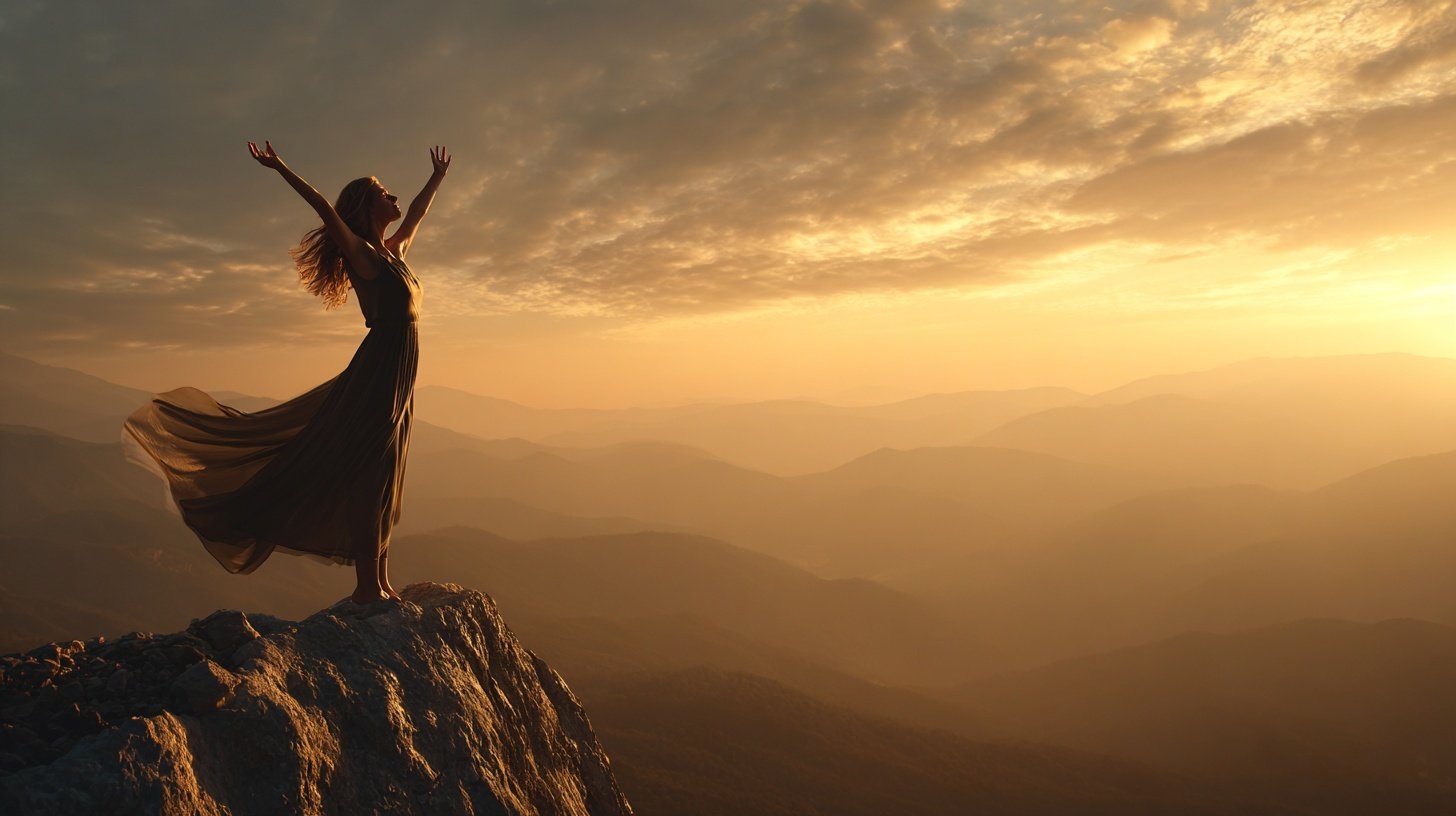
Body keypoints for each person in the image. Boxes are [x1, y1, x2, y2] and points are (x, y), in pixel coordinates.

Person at [121, 141, 451, 604]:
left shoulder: (395, 252)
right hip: (378, 372)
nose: (394, 197)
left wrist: (436, 178)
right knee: (369, 475)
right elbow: (321, 205)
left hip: (400, 377)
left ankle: (381, 581)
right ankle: (365, 589)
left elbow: (416, 213)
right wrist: (280, 168)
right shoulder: (363, 255)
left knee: (387, 475)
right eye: (384, 192)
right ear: (365, 205)